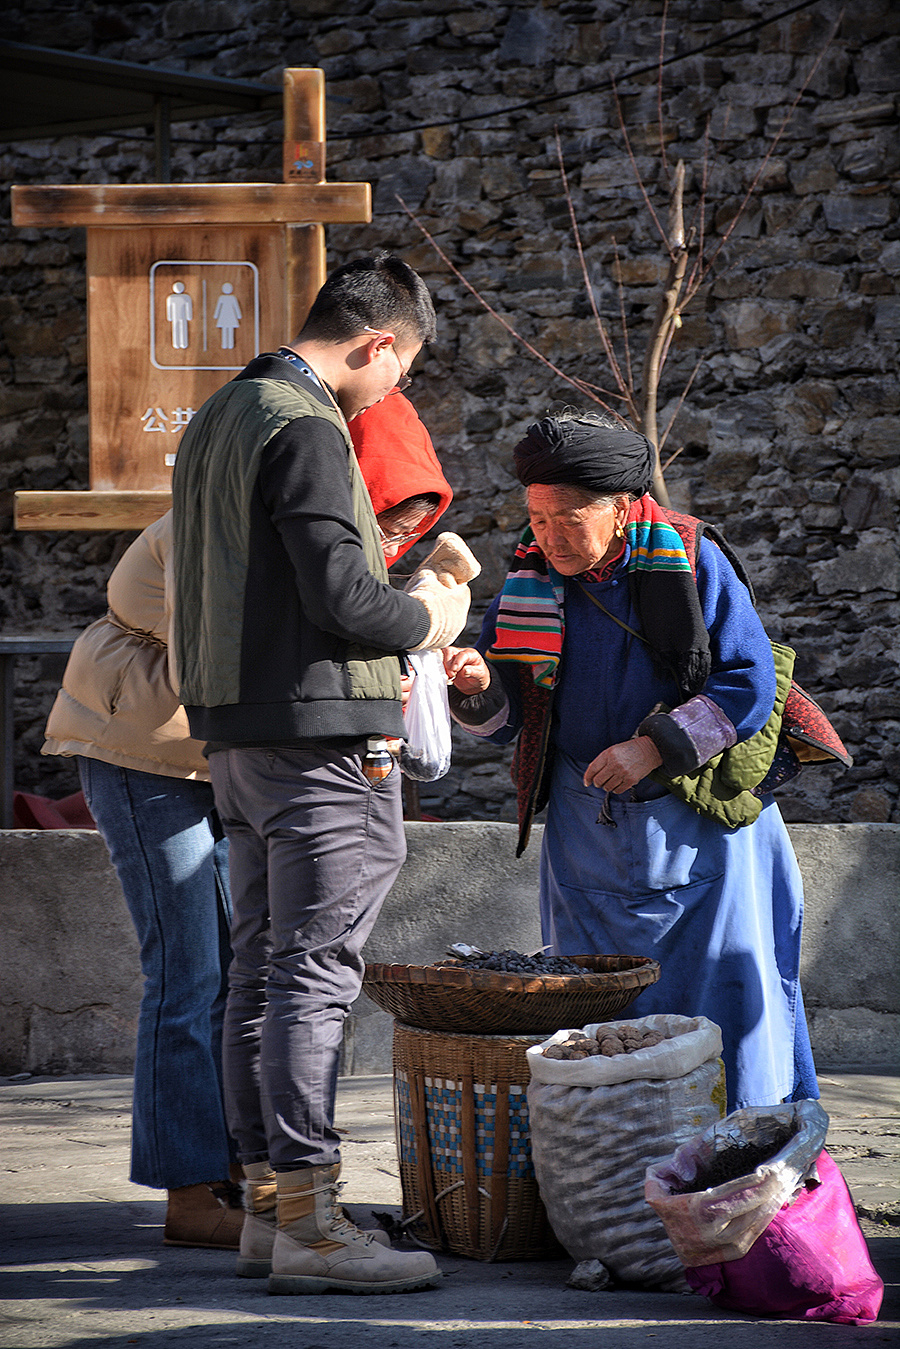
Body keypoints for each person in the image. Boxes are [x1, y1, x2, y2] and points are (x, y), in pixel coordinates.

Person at [170, 252, 471, 1295]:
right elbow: (346, 601)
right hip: (317, 735)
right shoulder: (304, 424)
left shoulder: (220, 414)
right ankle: (311, 1220)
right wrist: (432, 610)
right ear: (377, 343)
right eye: (399, 373)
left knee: (260, 967)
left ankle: (269, 1209)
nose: (393, 396)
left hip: (239, 732)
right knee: (311, 972)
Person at [445, 411, 821, 1114]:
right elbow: (508, 723)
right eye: (537, 516)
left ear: (621, 509)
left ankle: (737, 1163)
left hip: (697, 832)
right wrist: (474, 687)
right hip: (587, 843)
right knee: (597, 1016)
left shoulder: (691, 557)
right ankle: (618, 1172)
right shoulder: (533, 578)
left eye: (568, 518)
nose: (549, 536)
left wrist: (652, 747)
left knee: (724, 1006)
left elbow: (747, 681)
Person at [41, 514, 243, 1250]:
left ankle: (221, 1171)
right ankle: (190, 1196)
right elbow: (212, 659)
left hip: (202, 754)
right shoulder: (207, 529)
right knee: (186, 974)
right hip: (140, 756)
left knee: (224, 972)